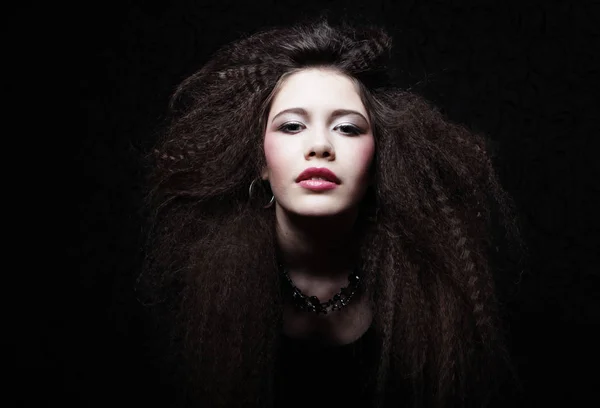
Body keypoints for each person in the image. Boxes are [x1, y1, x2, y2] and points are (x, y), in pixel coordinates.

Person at [139, 17, 524, 408]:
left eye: (347, 128)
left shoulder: (436, 304)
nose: (320, 145)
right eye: (291, 126)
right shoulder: (187, 304)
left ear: (378, 164)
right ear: (260, 161)